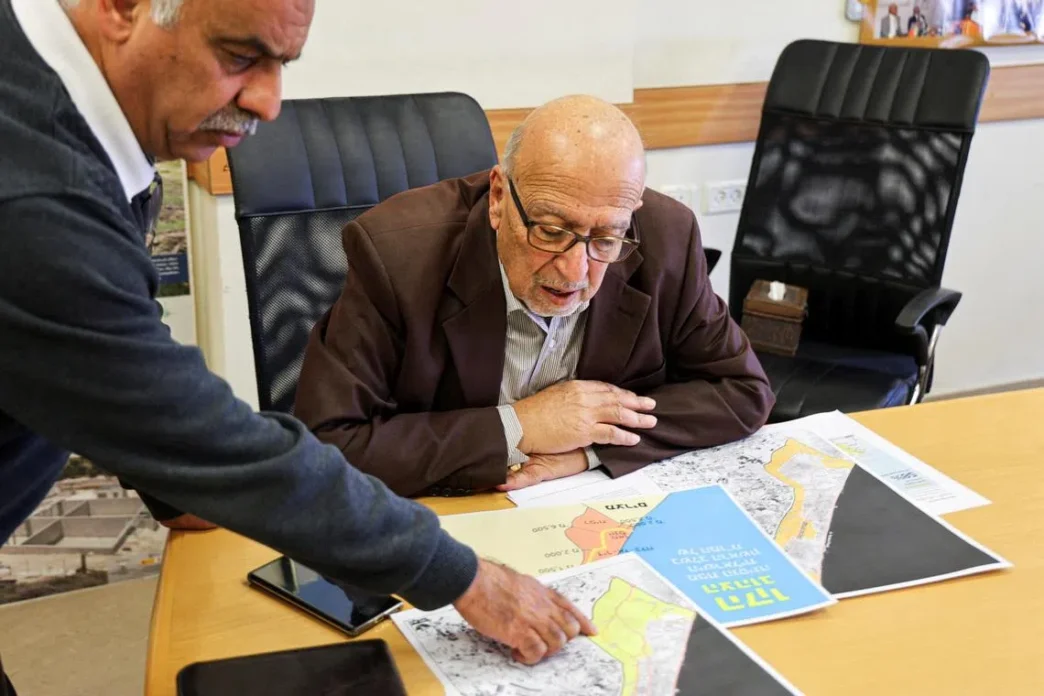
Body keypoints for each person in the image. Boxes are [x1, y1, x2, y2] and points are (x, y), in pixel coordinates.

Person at [0, 0, 594, 690]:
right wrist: (464, 578)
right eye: (239, 56)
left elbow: (117, 356)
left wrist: (171, 479)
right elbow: (188, 422)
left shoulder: (58, 113)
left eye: (282, 63)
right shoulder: (37, 201)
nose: (270, 102)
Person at [293, 95, 775, 498]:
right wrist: (520, 426)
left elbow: (743, 391)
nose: (574, 271)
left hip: (579, 509)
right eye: (550, 231)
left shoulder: (667, 240)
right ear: (499, 198)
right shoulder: (397, 255)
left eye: (606, 239)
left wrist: (587, 448)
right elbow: (328, 446)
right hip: (443, 515)